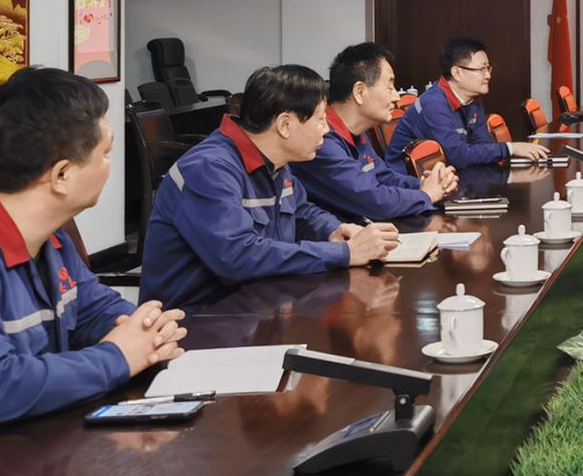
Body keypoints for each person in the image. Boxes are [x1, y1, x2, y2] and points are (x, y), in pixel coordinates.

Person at [0, 68, 186, 450]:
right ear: (62, 174)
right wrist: (118, 357)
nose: (109, 165)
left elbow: (95, 311)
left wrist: (149, 333)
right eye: (105, 153)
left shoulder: (49, 237)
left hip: (30, 450)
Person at [141, 64, 399, 309]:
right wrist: (343, 253)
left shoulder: (276, 161)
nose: (326, 130)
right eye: (320, 120)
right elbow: (236, 255)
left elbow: (302, 212)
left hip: (259, 304)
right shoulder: (209, 169)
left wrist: (335, 230)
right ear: (285, 125)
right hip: (195, 319)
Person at [293, 43, 459, 224]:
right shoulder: (322, 141)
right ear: (360, 92)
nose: (396, 97)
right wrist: (427, 194)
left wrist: (427, 184)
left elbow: (383, 177)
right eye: (390, 87)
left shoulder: (357, 133)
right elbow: (374, 200)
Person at [385, 38, 549, 174]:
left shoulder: (473, 99)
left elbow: (482, 146)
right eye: (481, 69)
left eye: (488, 68)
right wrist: (510, 148)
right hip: (408, 185)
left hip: (450, 175)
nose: (488, 75)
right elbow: (457, 156)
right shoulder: (433, 104)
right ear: (457, 73)